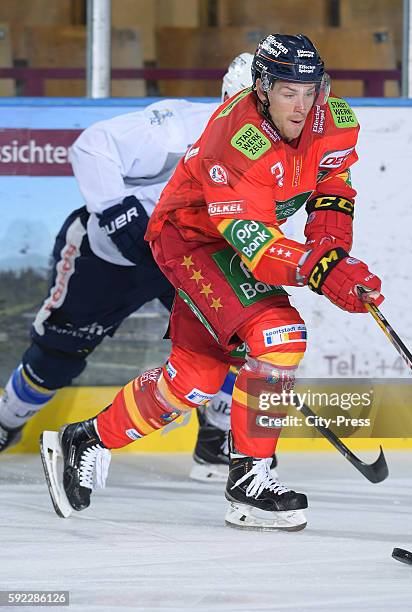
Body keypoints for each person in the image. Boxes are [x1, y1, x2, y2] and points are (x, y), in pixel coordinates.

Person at [40, 34, 382, 531]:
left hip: (239, 244)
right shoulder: (235, 141)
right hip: (192, 240)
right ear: (262, 90)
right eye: (289, 92)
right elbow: (258, 248)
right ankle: (250, 482)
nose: (303, 105)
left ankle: (86, 440)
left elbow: (333, 188)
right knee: (280, 336)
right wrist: (322, 270)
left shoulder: (337, 119)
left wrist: (331, 251)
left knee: (196, 378)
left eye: (311, 91)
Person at [1, 53, 254, 482]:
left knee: (233, 337)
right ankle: (7, 420)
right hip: (114, 256)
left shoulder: (284, 147)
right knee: (57, 356)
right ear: (229, 99)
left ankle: (214, 441)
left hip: (186, 258)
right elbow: (92, 144)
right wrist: (116, 210)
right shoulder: (178, 127)